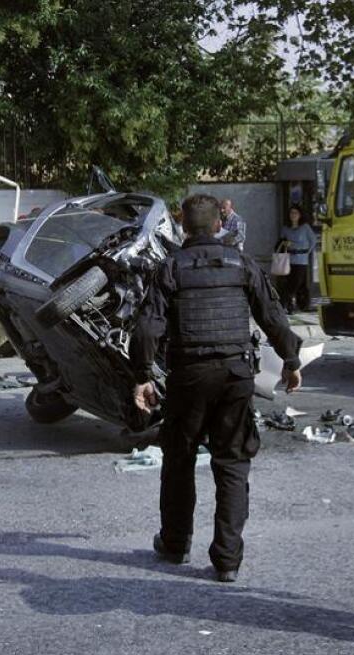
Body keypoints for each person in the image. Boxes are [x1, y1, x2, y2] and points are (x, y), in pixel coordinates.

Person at [131, 193, 303, 583]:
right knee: (232, 464)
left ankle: (175, 544)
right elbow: (272, 314)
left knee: (179, 460)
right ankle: (226, 560)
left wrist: (142, 374)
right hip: (234, 376)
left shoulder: (170, 266)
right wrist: (291, 360)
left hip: (189, 376)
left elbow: (147, 326)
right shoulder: (242, 263)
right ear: (219, 225)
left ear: (182, 225)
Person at [277, 205, 317, 313]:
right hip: (288, 259)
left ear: (300, 215)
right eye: (291, 213)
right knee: (288, 282)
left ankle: (289, 302)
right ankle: (290, 306)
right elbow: (280, 242)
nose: (293, 215)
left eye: (295, 213)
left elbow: (313, 241)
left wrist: (306, 252)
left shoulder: (305, 227)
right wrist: (286, 243)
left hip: (301, 260)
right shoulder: (285, 228)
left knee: (297, 283)